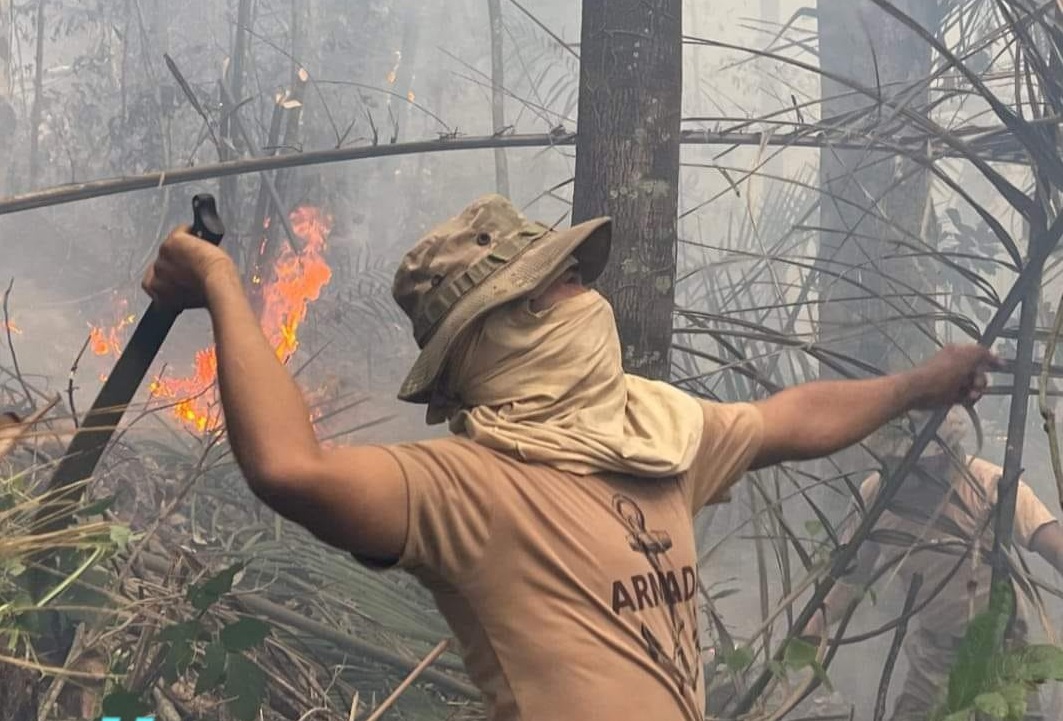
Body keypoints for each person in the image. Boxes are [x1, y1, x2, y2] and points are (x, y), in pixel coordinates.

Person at [142, 194, 997, 721]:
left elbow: (785, 418)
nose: (586, 292)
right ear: (501, 328)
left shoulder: (654, 438)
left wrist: (919, 385)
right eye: (560, 282)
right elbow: (294, 470)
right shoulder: (466, 489)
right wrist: (221, 281)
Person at [801, 408, 1063, 721]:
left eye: (915, 462)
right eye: (896, 461)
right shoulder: (877, 496)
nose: (903, 470)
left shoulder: (993, 487)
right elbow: (853, 577)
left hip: (1001, 656)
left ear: (947, 453)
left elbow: (1056, 549)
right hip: (933, 658)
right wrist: (815, 624)